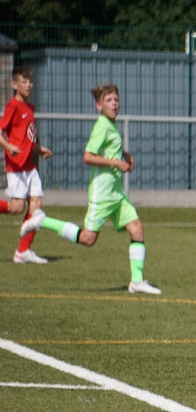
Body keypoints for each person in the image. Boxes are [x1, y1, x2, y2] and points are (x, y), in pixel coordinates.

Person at [21, 83, 160, 294]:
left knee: (137, 228)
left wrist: (125, 154)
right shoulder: (102, 125)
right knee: (88, 239)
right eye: (108, 100)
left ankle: (137, 281)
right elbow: (88, 156)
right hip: (102, 193)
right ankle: (41, 220)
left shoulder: (111, 126)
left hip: (116, 193)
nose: (114, 104)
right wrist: (116, 163)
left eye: (116, 100)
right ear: (98, 106)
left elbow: (111, 148)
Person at [1, 66, 51, 264]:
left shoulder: (30, 108)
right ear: (14, 85)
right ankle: (23, 251)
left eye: (30, 81)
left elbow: (28, 136)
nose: (29, 85)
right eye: (24, 81)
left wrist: (39, 149)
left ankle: (23, 251)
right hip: (16, 166)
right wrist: (7, 145)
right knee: (16, 208)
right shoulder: (12, 106)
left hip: (30, 166)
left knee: (36, 207)